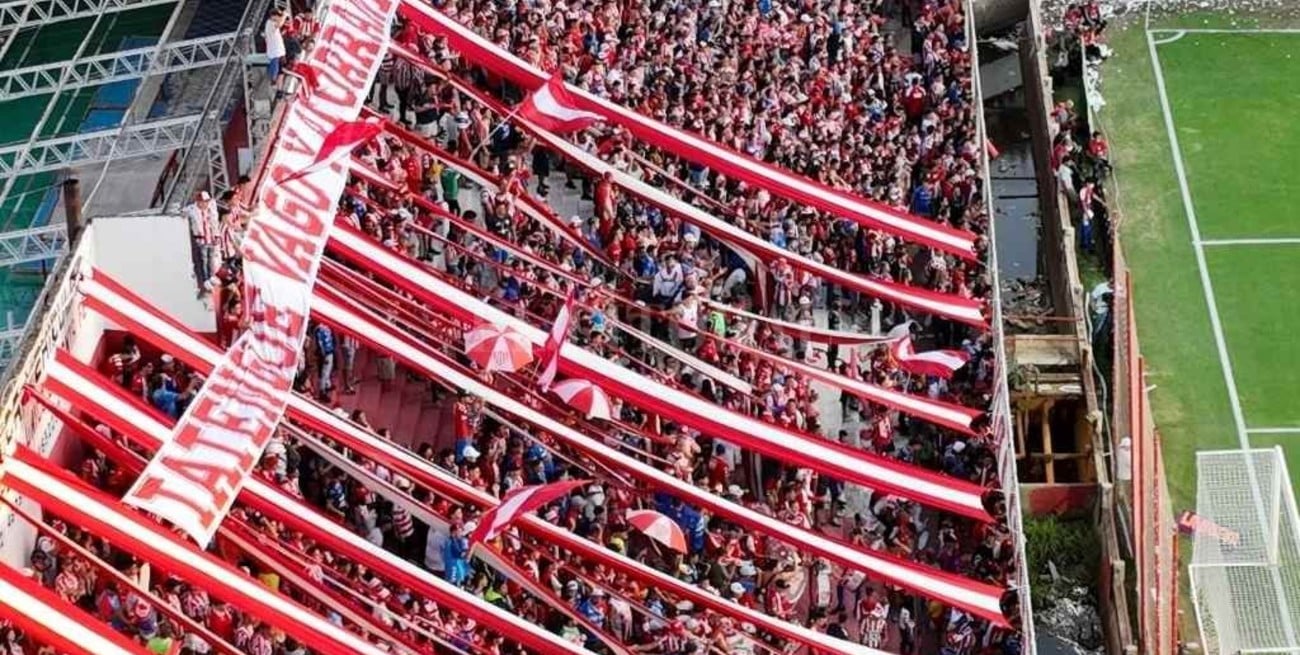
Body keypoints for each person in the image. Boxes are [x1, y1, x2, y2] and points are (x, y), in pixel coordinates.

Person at [184, 190, 219, 291]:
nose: (206, 204)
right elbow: (184, 212)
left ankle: (211, 276)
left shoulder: (210, 209)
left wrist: (216, 236)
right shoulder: (192, 210)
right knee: (203, 260)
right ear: (199, 202)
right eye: (204, 202)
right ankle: (205, 280)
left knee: (211, 259)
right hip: (201, 240)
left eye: (207, 201)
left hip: (210, 238)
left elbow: (214, 222)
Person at [264, 8, 288, 88]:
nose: (279, 18)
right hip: (274, 52)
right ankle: (273, 82)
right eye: (278, 16)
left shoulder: (272, 23)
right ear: (273, 16)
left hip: (278, 50)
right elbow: (279, 24)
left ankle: (278, 86)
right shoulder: (270, 23)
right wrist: (284, 16)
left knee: (280, 69)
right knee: (275, 68)